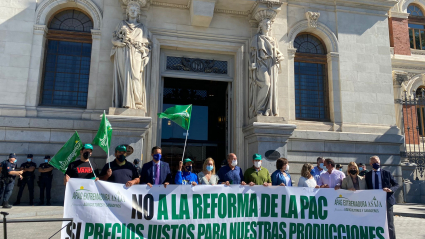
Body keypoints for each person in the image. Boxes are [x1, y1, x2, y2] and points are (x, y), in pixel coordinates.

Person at [365, 156, 399, 239]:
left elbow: (396, 184)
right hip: (374, 202)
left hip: (387, 200)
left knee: (389, 223)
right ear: (370, 164)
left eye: (378, 162)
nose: (376, 164)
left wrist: (390, 189)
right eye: (374, 162)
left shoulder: (386, 173)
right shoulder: (368, 175)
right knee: (375, 221)